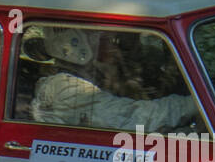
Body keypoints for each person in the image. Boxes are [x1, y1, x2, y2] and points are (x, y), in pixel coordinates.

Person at [31, 27, 199, 132]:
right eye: (104, 40)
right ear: (76, 46)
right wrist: (195, 104)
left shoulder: (88, 77)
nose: (113, 47)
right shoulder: (66, 89)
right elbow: (133, 119)